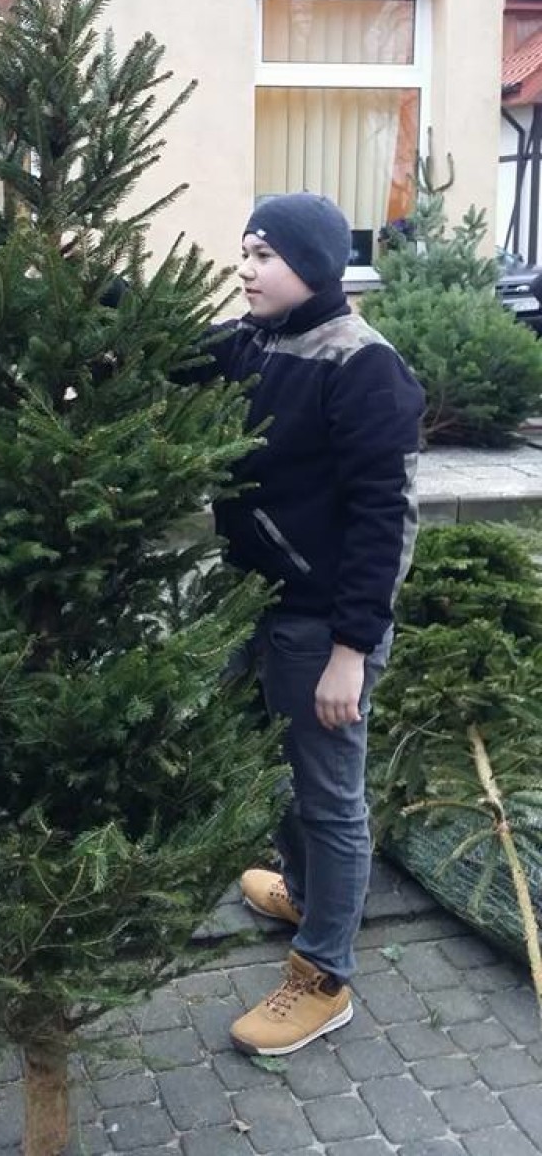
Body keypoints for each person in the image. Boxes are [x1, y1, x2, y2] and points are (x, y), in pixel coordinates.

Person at [198, 192, 425, 1058]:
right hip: (253, 605)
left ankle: (323, 975)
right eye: (243, 251)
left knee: (330, 797)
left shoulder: (362, 366)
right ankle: (301, 892)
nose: (245, 269)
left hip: (320, 625)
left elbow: (384, 521)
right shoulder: (257, 340)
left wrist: (350, 654)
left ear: (316, 268)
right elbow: (173, 349)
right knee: (278, 774)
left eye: (263, 255)